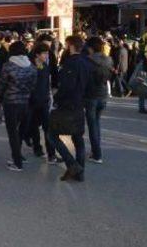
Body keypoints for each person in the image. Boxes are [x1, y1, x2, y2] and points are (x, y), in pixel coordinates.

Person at [49, 35, 91, 182]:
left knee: (52, 134)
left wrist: (57, 98)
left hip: (68, 105)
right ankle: (80, 172)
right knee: (78, 138)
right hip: (81, 104)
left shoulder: (71, 63)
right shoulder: (87, 62)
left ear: (71, 46)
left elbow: (67, 86)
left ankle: (72, 164)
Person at [0, 41, 37, 172]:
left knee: (12, 132)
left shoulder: (8, 66)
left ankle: (17, 161)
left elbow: (3, 84)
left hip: (11, 102)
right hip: (25, 102)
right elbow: (33, 84)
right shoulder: (31, 66)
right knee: (21, 130)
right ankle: (18, 155)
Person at [84, 37, 113, 164]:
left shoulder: (88, 61)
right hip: (103, 94)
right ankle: (96, 151)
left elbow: (85, 79)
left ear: (90, 48)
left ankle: (97, 154)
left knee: (92, 126)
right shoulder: (108, 60)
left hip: (91, 96)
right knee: (97, 123)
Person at [28, 43, 56, 162]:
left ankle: (51, 154)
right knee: (34, 126)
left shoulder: (45, 66)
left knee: (47, 127)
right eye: (44, 53)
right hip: (33, 101)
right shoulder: (30, 66)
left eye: (47, 53)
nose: (46, 55)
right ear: (37, 54)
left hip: (44, 100)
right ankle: (37, 148)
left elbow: (46, 84)